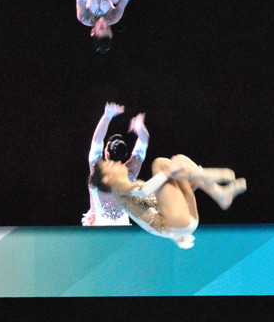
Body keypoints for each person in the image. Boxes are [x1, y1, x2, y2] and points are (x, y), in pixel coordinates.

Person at [89, 153, 246, 248]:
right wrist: (172, 171)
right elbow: (145, 191)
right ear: (107, 178)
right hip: (176, 224)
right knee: (160, 164)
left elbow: (168, 202)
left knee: (180, 160)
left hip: (181, 224)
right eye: (111, 164)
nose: (118, 162)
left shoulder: (131, 189)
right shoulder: (117, 188)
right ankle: (204, 179)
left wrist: (190, 180)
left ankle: (219, 193)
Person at [82, 102, 149, 226]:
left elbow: (96, 141)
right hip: (123, 230)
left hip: (100, 230)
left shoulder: (97, 171)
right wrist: (140, 128)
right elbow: (144, 141)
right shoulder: (130, 172)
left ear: (106, 153)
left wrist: (107, 116)